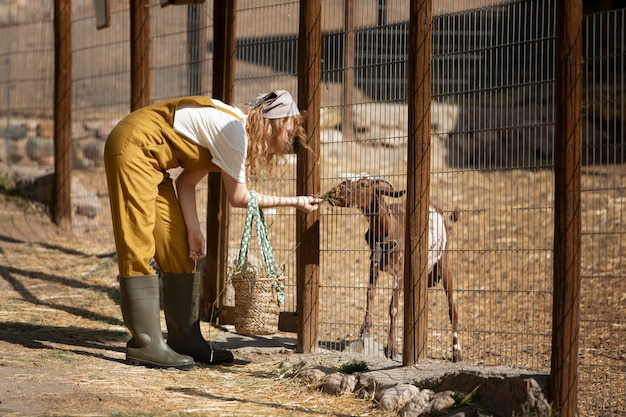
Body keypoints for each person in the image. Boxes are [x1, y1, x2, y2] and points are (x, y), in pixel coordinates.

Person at [104, 90, 322, 370]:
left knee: (179, 251)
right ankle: (145, 345)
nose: (287, 142)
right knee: (138, 244)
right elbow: (239, 198)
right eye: (287, 133)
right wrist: (295, 202)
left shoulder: (230, 131)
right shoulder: (235, 132)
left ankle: (185, 339)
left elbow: (185, 183)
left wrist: (194, 231)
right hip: (133, 149)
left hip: (154, 165)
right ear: (273, 124)